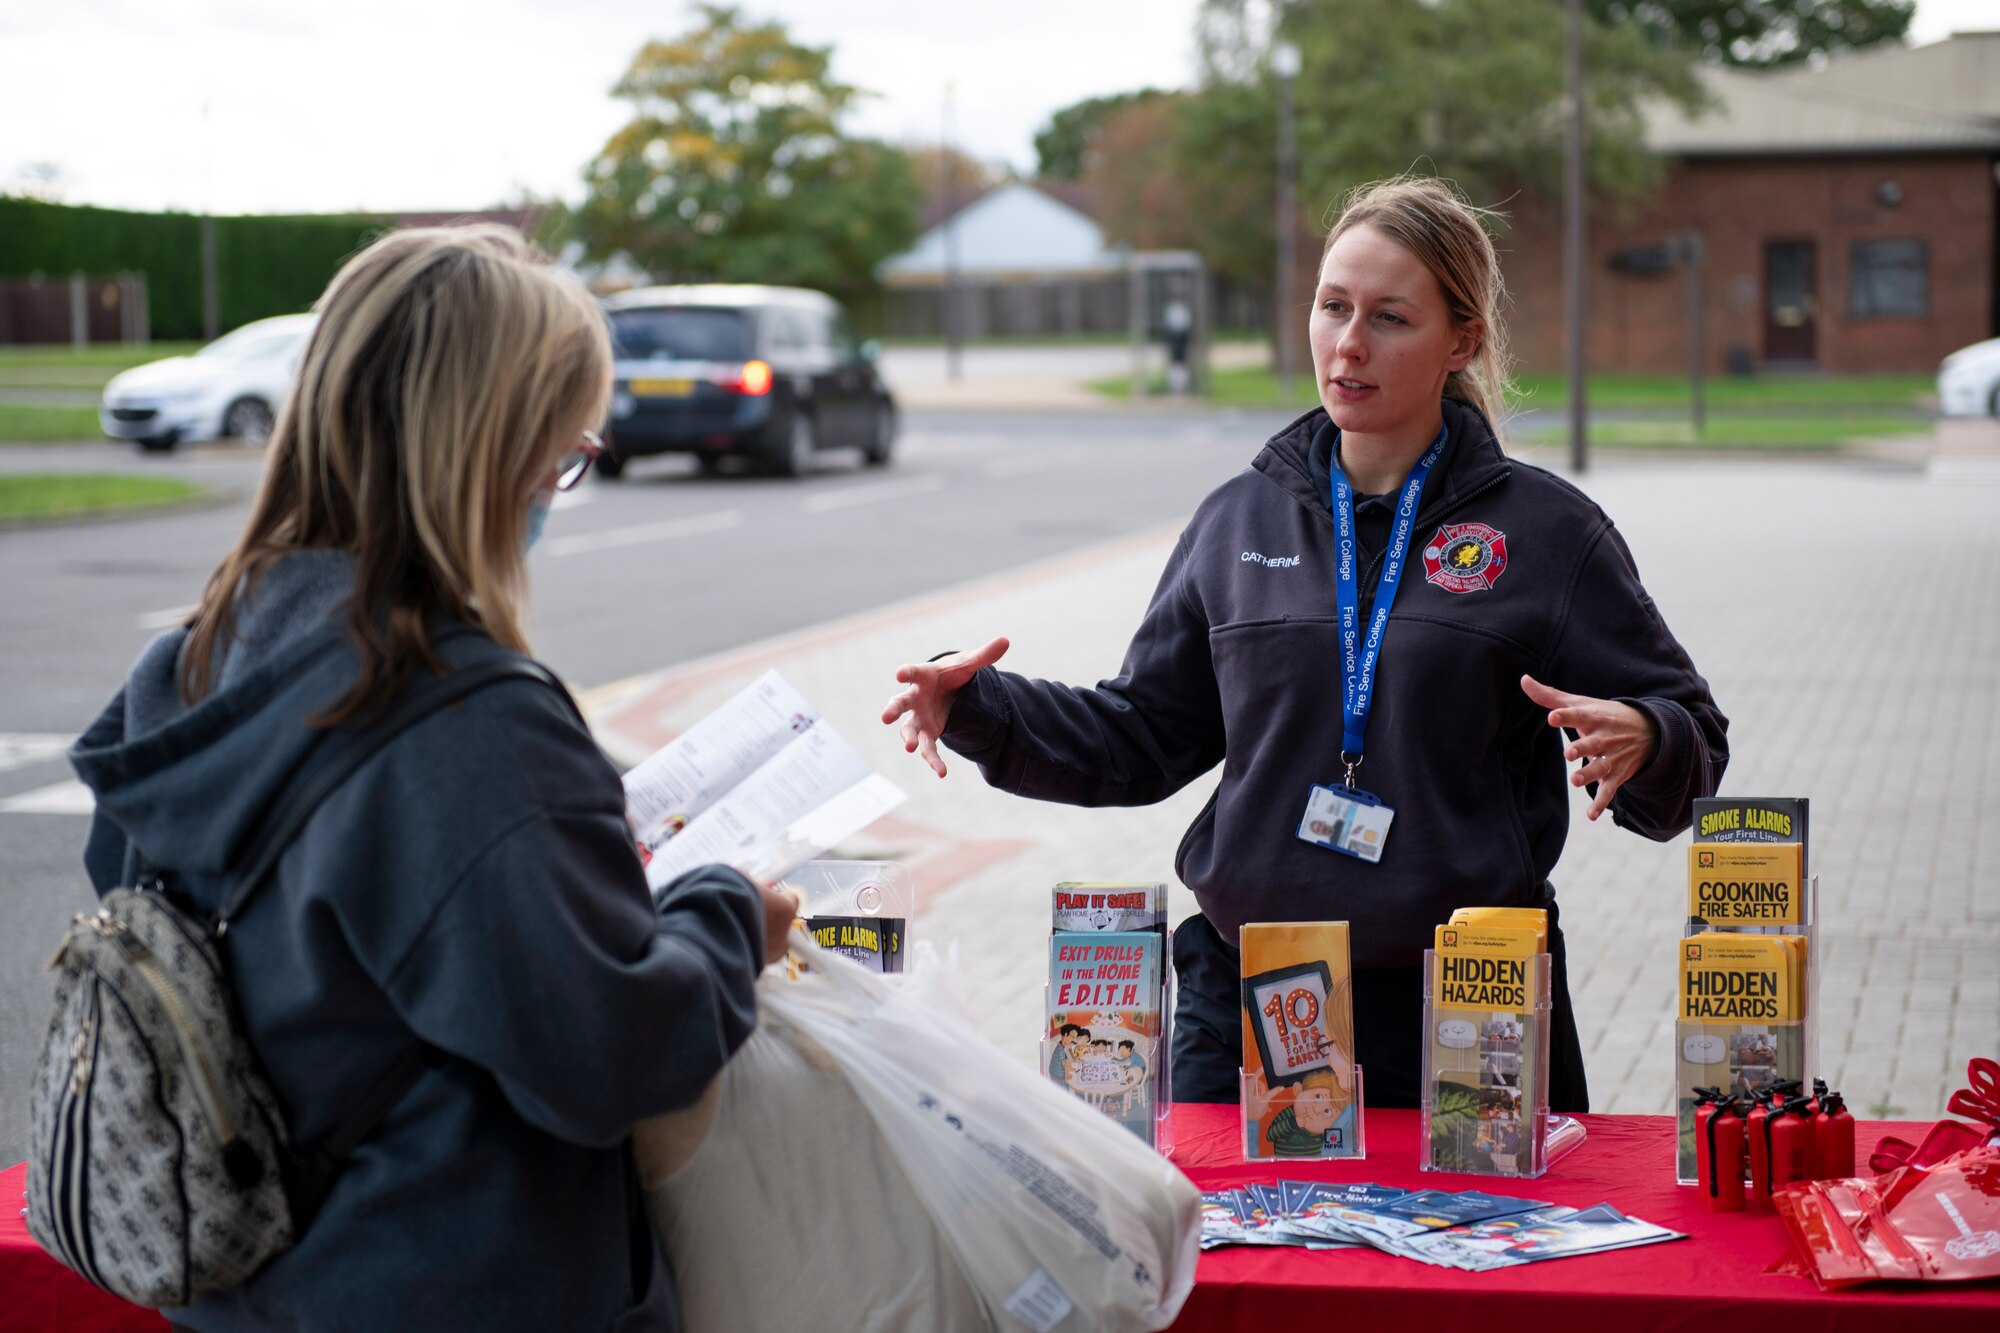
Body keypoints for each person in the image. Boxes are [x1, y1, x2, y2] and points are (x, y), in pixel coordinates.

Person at [68, 226, 797, 1332]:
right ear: (494, 455)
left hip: (250, 1288)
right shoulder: (466, 718)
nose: (556, 491)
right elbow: (609, 1057)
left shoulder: (189, 660)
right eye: (564, 456)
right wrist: (729, 912)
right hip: (451, 1280)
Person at [881, 176, 1727, 1113]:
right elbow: (1143, 732)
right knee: (1230, 1261)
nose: (1350, 343)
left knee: (1467, 1260)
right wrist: (978, 705)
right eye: (1333, 306)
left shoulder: (1548, 534)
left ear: (1463, 339)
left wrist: (1650, 738)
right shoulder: (1238, 515)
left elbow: (1695, 740)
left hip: (1461, 1004)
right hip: (1247, 989)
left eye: (1391, 318)